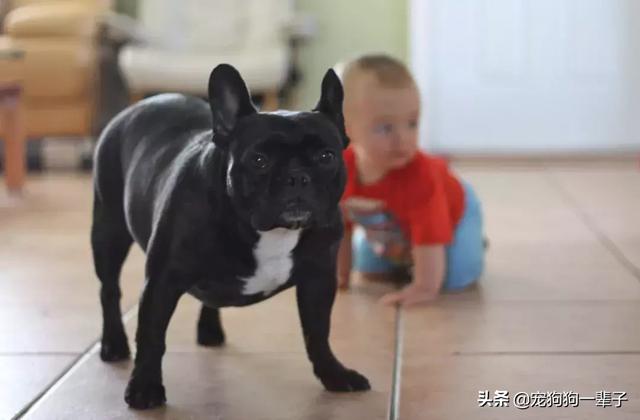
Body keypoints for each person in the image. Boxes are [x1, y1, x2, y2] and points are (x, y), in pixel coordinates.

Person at [336, 54, 485, 307]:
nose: (403, 139)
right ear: (346, 128)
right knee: (372, 271)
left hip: (453, 209)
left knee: (454, 278)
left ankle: (467, 241)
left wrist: (423, 288)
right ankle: (404, 248)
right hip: (393, 225)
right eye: (385, 128)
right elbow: (338, 230)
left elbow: (428, 242)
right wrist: (339, 277)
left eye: (412, 123)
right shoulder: (336, 171)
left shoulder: (421, 177)